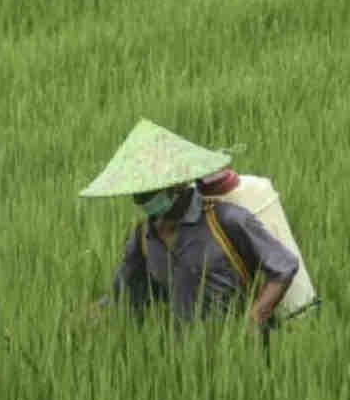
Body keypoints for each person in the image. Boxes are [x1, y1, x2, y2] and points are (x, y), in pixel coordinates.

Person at [80, 119, 299, 330]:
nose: (144, 202)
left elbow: (284, 268)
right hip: (183, 354)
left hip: (238, 349)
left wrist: (256, 316)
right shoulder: (144, 238)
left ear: (178, 185)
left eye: (149, 193)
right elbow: (125, 296)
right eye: (138, 196)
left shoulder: (226, 221)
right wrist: (87, 316)